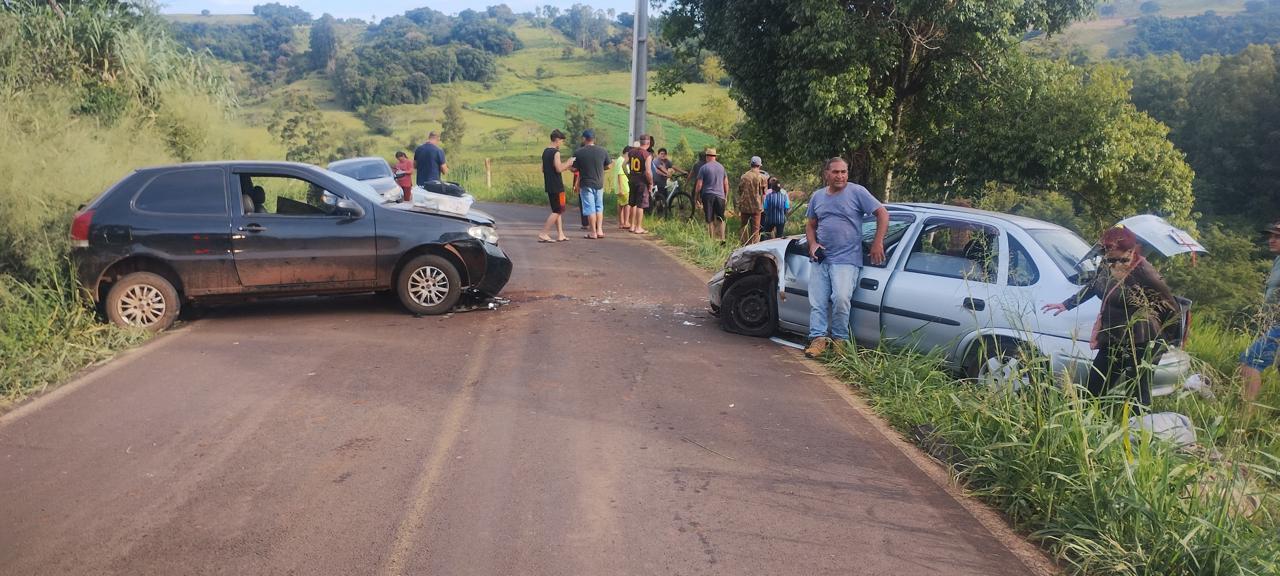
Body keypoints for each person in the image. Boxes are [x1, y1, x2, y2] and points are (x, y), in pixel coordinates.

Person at [1043, 226, 1178, 407]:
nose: (1114, 264)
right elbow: (1094, 285)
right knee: (1094, 389)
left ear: (1131, 251)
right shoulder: (1107, 263)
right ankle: (1090, 430)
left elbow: (1171, 306)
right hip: (1112, 338)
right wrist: (1067, 304)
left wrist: (1166, 342)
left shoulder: (1145, 272)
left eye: (1119, 258)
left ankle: (1138, 431)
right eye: (1109, 258)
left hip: (1141, 341)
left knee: (1138, 393)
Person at [803, 157, 889, 358]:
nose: (840, 176)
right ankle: (817, 340)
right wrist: (813, 244)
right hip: (821, 259)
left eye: (843, 172)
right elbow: (811, 224)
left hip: (847, 259)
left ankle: (840, 341)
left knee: (841, 299)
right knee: (818, 302)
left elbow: (883, 214)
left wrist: (878, 242)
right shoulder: (817, 197)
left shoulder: (857, 192)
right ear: (827, 174)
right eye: (835, 172)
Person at [1238, 220, 1280, 404]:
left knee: (1250, 361)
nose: (1271, 240)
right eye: (1271, 236)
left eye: (1277, 237)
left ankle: (1246, 417)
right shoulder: (1278, 260)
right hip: (1272, 322)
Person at [572, 129, 612, 239]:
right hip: (599, 183)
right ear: (594, 139)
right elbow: (609, 165)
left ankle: (593, 232)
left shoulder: (579, 152)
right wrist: (600, 168)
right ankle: (600, 230)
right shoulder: (602, 151)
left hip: (586, 183)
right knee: (599, 207)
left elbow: (573, 168)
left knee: (590, 208)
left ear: (584, 139)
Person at [538, 129, 576, 243]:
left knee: (557, 209)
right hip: (557, 185)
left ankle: (560, 234)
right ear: (557, 140)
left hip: (549, 184)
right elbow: (559, 168)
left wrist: (564, 166)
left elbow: (543, 169)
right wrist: (569, 163)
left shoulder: (545, 152)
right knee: (558, 210)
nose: (562, 144)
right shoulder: (556, 153)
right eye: (562, 141)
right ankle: (544, 232)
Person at [694, 148, 730, 241]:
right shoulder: (722, 167)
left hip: (708, 195)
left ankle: (712, 240)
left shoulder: (704, 168)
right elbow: (726, 183)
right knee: (721, 218)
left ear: (707, 157)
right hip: (720, 196)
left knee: (709, 219)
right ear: (715, 157)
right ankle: (722, 239)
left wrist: (696, 196)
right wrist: (725, 196)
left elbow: (699, 185)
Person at [736, 156, 768, 245]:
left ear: (751, 164)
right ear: (759, 165)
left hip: (745, 206)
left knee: (743, 227)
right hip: (757, 207)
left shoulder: (744, 176)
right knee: (755, 229)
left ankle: (743, 245)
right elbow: (764, 193)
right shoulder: (762, 177)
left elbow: (739, 191)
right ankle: (754, 247)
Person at [626, 135, 654, 234]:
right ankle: (638, 227)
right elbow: (648, 172)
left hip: (632, 178)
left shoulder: (631, 152)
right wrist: (650, 183)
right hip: (642, 181)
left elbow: (623, 165)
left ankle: (632, 225)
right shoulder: (647, 155)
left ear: (640, 142)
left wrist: (628, 174)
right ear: (648, 143)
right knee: (640, 204)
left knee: (632, 203)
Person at [613, 144, 633, 230]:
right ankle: (626, 222)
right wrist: (621, 188)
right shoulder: (622, 161)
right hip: (624, 186)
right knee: (627, 204)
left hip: (618, 186)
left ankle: (621, 222)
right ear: (627, 153)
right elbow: (620, 175)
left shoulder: (618, 160)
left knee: (621, 204)